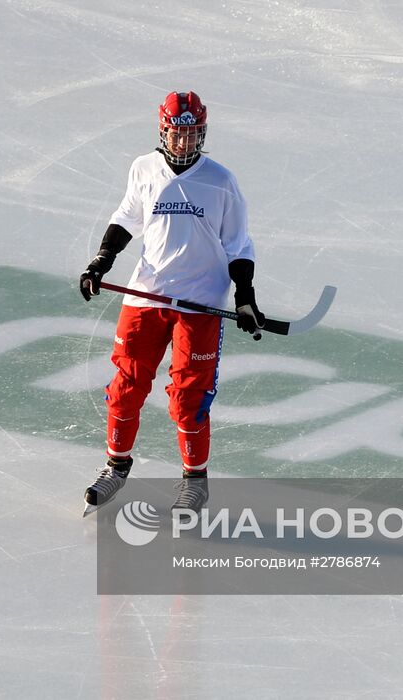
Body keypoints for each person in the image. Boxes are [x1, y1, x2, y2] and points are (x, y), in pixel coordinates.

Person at [79, 90, 264, 514]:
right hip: (146, 293)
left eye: (193, 135)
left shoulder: (220, 181)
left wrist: (246, 297)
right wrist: (101, 262)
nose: (184, 144)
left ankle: (195, 480)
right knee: (125, 388)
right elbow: (127, 218)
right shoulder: (144, 168)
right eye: (177, 135)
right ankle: (116, 467)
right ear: (163, 131)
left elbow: (239, 246)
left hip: (199, 302)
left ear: (202, 133)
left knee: (187, 397)